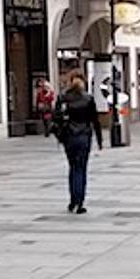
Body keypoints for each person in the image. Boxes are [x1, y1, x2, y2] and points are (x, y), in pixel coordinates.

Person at [50, 73, 103, 213]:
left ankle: (73, 201)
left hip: (69, 137)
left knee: (73, 167)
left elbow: (56, 118)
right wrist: (99, 140)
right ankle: (80, 202)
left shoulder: (63, 98)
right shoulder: (88, 98)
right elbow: (95, 120)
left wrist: (59, 135)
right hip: (84, 136)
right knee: (81, 168)